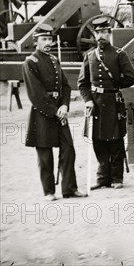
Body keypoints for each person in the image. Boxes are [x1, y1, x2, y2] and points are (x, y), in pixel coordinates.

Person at [22, 24, 87, 201]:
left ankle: (69, 189)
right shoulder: (30, 62)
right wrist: (54, 110)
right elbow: (36, 94)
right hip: (42, 114)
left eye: (49, 39)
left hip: (60, 111)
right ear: (36, 42)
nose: (47, 43)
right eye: (43, 39)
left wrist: (65, 106)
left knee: (69, 149)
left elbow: (65, 86)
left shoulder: (53, 59)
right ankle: (49, 191)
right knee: (45, 154)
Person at [78, 17, 134, 190]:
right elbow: (82, 83)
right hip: (95, 103)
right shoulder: (89, 56)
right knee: (98, 140)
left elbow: (132, 77)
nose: (100, 36)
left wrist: (116, 84)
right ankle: (103, 178)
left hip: (113, 102)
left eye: (104, 32)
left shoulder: (119, 54)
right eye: (97, 33)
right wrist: (88, 100)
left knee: (116, 140)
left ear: (109, 34)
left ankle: (117, 178)